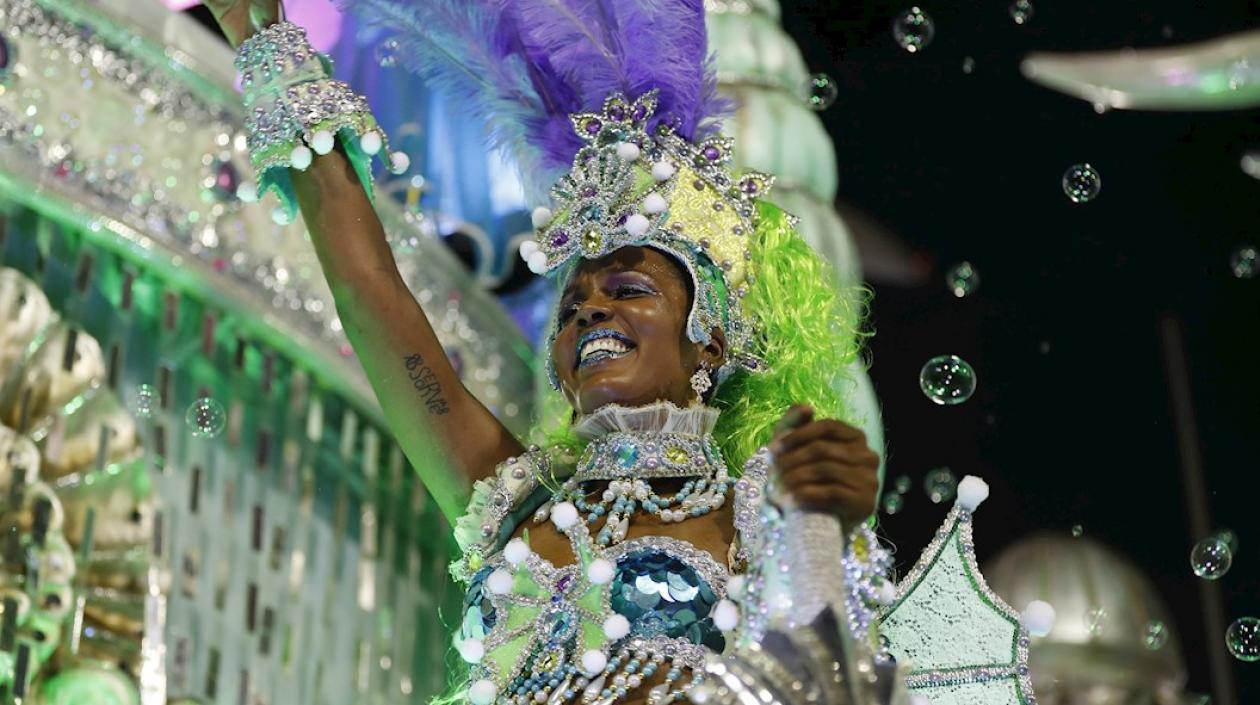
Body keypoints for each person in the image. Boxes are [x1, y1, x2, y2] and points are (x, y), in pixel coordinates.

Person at [204, 1, 882, 703]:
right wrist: (268, 47)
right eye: (573, 303)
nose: (591, 308)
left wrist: (822, 530)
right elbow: (370, 291)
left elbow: (827, 679)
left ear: (709, 337)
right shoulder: (512, 500)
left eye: (627, 288)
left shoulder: (760, 521)